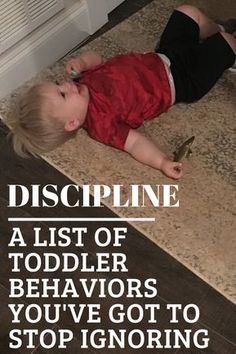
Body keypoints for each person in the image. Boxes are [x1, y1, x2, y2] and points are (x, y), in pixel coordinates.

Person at [9, 4, 236, 179]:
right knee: (226, 44)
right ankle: (225, 47)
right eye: (62, 94)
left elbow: (97, 58)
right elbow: (135, 143)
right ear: (72, 123)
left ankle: (218, 29)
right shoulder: (103, 124)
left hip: (165, 55)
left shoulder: (81, 82)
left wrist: (82, 61)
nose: (65, 85)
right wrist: (162, 162)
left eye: (58, 84)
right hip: (183, 80)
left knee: (187, 11)